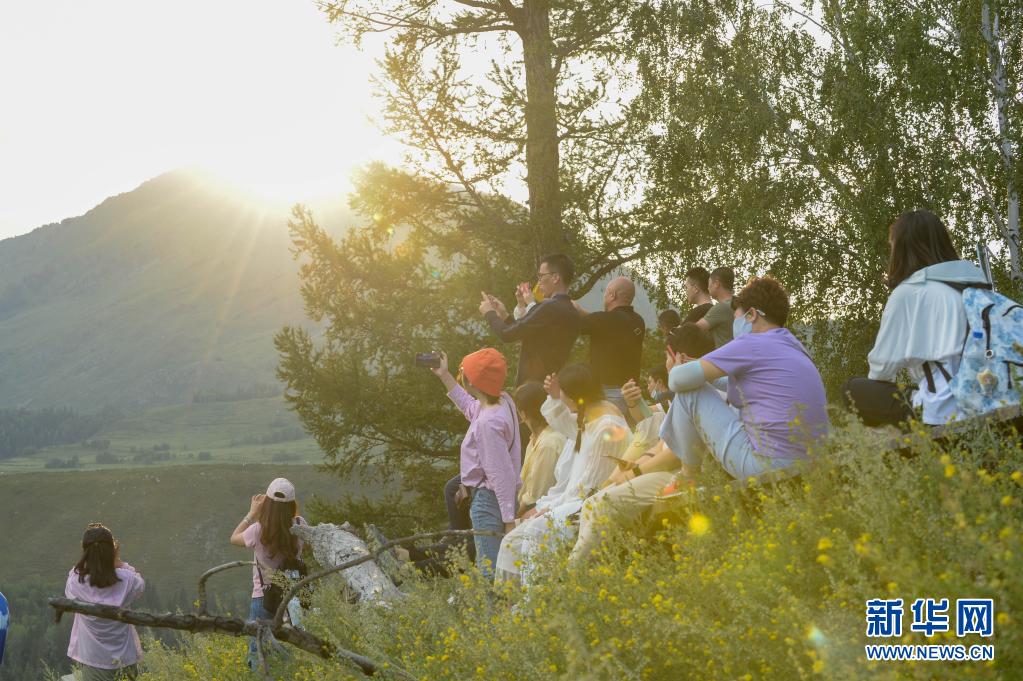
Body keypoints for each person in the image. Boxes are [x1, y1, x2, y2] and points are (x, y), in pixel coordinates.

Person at [569, 323, 715, 563]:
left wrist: (634, 472)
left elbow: (676, 454)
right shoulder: (682, 394)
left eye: (667, 357)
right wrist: (632, 468)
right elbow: (659, 439)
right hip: (667, 470)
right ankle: (581, 571)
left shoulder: (697, 393)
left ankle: (574, 574)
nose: (666, 365)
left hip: (682, 474)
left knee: (603, 504)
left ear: (679, 358)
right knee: (593, 504)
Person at [843, 210, 991, 426]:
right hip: (994, 398)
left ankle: (907, 442)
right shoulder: (979, 288)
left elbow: (881, 370)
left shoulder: (909, 292)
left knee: (852, 389)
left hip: (947, 411)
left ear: (900, 249)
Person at [495, 364, 630, 585]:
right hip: (572, 500)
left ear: (573, 395)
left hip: (587, 505)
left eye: (563, 393)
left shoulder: (606, 426)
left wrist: (551, 507)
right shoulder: (590, 414)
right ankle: (510, 599)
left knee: (534, 532)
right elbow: (565, 422)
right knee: (512, 541)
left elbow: (591, 486)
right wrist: (555, 396)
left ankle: (536, 597)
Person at [430, 348, 521, 579]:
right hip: (498, 499)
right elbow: (469, 406)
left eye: (463, 371)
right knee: (496, 569)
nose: (461, 373)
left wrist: (509, 520)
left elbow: (500, 474)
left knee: (491, 573)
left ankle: (495, 605)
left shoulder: (487, 424)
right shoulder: (503, 402)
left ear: (472, 381)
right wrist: (444, 375)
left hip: (488, 502)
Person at [230, 478, 306, 670]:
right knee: (291, 652)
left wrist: (252, 514)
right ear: (292, 504)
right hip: (292, 597)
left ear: (267, 503)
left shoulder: (258, 530)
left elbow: (234, 538)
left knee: (259, 653)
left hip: (263, 597)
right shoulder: (300, 524)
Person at [480, 254, 581, 386]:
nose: (539, 282)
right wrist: (504, 314)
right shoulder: (572, 312)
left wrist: (489, 313)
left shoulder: (548, 307)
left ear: (555, 278)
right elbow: (529, 335)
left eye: (541, 276)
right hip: (552, 386)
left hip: (532, 388)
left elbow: (507, 334)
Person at [64, 523, 145, 681]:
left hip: (93, 659)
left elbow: (70, 592)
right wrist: (118, 562)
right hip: (125, 658)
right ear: (113, 550)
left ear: (85, 551)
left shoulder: (76, 581)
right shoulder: (126, 580)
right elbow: (139, 584)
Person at [573, 276, 647, 422]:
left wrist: (571, 308)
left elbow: (575, 325)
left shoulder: (604, 321)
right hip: (631, 395)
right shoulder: (638, 321)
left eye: (605, 293)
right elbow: (607, 323)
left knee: (604, 432)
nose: (604, 296)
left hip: (608, 395)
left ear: (612, 295)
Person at [514, 381, 566, 517]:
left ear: (523, 414)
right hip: (529, 507)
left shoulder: (548, 443)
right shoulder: (535, 438)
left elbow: (536, 495)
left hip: (541, 511)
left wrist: (511, 520)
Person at [695, 266, 735, 347]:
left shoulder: (721, 307)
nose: (708, 288)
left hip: (724, 354)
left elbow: (693, 330)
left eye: (709, 284)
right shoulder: (739, 303)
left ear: (717, 284)